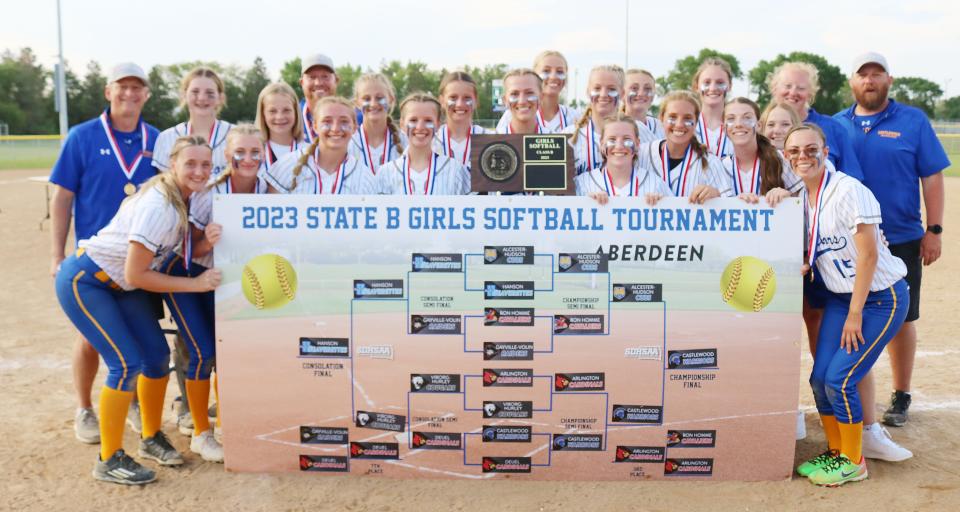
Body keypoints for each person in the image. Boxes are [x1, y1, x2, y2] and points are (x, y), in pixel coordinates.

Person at [54, 136, 220, 484]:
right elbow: (136, 273)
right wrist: (195, 284)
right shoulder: (160, 204)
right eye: (190, 163)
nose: (199, 171)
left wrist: (208, 242)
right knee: (125, 363)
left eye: (205, 164)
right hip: (88, 280)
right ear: (172, 165)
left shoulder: (183, 197)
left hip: (121, 285)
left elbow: (145, 270)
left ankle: (149, 437)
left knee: (157, 358)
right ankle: (109, 458)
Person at [789, 123, 909, 486]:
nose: (803, 156)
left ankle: (854, 461)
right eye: (794, 151)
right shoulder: (801, 195)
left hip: (878, 298)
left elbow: (868, 256)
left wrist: (855, 314)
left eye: (811, 149)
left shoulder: (847, 190)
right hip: (842, 297)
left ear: (826, 152)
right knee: (820, 377)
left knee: (840, 379)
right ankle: (837, 451)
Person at [835, 52, 951, 428]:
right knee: (846, 315)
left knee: (902, 317)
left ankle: (901, 394)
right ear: (852, 82)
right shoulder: (837, 125)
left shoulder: (913, 120)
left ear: (889, 80)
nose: (870, 80)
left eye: (877, 74)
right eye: (862, 74)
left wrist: (934, 230)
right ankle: (848, 387)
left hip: (901, 237)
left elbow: (932, 177)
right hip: (847, 241)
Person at [49, 62, 159, 445]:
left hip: (136, 261)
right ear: (108, 91)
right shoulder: (82, 136)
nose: (130, 94)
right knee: (90, 339)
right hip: (92, 259)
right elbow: (62, 197)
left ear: (146, 94)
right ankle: (84, 408)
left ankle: (128, 402)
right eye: (122, 87)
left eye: (137, 88)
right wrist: (56, 254)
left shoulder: (156, 139)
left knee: (142, 341)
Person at [767, 61, 863, 180]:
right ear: (774, 88)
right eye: (787, 86)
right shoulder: (761, 129)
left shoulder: (833, 128)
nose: (793, 92)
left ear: (810, 93)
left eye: (801, 88)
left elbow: (852, 179)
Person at [264, 96, 377, 194]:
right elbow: (268, 214)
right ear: (315, 126)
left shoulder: (365, 178)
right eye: (327, 121)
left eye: (344, 121)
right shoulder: (287, 166)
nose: (335, 128)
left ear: (354, 127)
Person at [637, 91, 731, 203]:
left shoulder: (710, 162)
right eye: (672, 117)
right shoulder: (640, 154)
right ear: (661, 119)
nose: (679, 124)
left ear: (696, 122)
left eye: (687, 119)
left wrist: (716, 194)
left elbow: (731, 208)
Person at [379, 92, 470, 195]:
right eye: (413, 120)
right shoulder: (385, 173)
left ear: (438, 124)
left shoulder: (455, 171)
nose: (420, 127)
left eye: (428, 120)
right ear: (402, 124)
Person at [574, 112, 671, 204]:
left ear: (637, 144)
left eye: (627, 139)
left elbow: (678, 216)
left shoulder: (655, 184)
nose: (619, 146)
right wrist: (585, 203)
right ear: (602, 143)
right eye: (612, 139)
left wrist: (660, 205)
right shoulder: (582, 184)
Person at [153, 67, 233, 174]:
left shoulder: (235, 136)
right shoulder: (166, 138)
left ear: (220, 98)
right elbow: (164, 186)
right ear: (184, 95)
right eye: (195, 92)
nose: (202, 98)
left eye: (210, 93)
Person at [722, 97, 800, 203]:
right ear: (723, 128)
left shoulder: (780, 159)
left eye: (747, 118)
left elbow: (802, 202)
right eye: (731, 119)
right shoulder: (719, 167)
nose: (739, 124)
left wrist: (787, 195)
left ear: (758, 125)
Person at [567, 65, 633, 176]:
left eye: (611, 89)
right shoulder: (568, 136)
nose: (603, 94)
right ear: (588, 92)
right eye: (597, 88)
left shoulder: (639, 131)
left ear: (622, 94)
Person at [496, 51, 580, 134]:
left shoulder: (575, 116)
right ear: (534, 74)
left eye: (560, 72)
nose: (553, 76)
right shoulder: (512, 115)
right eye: (546, 71)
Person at [434, 71, 490, 171]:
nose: (459, 104)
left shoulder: (490, 139)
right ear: (442, 101)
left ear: (476, 101)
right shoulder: (430, 142)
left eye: (467, 98)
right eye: (453, 97)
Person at [349, 73, 403, 174]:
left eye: (379, 98)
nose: (373, 104)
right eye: (366, 99)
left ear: (391, 99)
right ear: (357, 103)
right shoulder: (348, 144)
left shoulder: (406, 142)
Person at [255, 82, 305, 173]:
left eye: (286, 110)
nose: (280, 117)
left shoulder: (309, 152)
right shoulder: (254, 152)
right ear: (263, 114)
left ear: (296, 112)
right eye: (272, 111)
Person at [692, 58, 735, 158]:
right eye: (706, 82)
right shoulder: (686, 126)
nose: (713, 88)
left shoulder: (739, 127)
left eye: (720, 83)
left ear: (730, 86)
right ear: (696, 86)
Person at [299, 54, 339, 143]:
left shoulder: (351, 117)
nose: (318, 83)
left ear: (336, 80)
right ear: (302, 83)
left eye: (325, 76)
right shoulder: (291, 117)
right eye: (312, 77)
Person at [496, 69, 544, 135]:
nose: (522, 101)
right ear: (505, 100)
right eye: (514, 94)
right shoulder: (492, 141)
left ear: (541, 97)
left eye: (529, 93)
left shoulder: (558, 140)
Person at [622, 68, 663, 141]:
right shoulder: (612, 126)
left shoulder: (662, 127)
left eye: (647, 88)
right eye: (634, 88)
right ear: (622, 93)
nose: (641, 93)